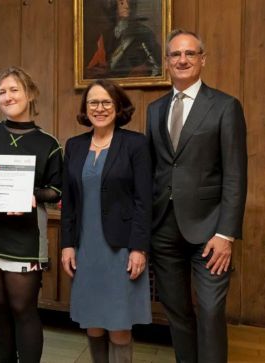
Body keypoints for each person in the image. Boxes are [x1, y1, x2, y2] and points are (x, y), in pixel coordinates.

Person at [146, 29, 247, 363]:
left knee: (210, 312)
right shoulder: (155, 109)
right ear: (167, 62)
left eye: (190, 53)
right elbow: (154, 169)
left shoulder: (225, 106)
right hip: (163, 230)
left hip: (210, 232)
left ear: (202, 59)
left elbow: (235, 174)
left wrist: (226, 234)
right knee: (176, 313)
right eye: (175, 54)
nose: (182, 60)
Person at [0, 66, 63, 363]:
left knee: (23, 309)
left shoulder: (49, 143)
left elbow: (57, 190)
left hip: (26, 236)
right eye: (2, 92)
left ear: (30, 94)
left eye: (14, 89)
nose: (8, 96)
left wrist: (33, 197)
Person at [61, 79, 152, 362]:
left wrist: (138, 247)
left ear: (118, 106)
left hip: (121, 249)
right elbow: (69, 203)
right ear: (85, 108)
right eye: (93, 102)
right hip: (85, 249)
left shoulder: (135, 144)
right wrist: (66, 245)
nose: (99, 108)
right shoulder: (74, 146)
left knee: (119, 325)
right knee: (93, 323)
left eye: (106, 102)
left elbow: (144, 200)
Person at [86, 0, 161, 79]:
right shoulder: (107, 35)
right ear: (114, 6)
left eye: (129, 3)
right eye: (122, 3)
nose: (127, 6)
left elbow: (156, 67)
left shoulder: (143, 32)